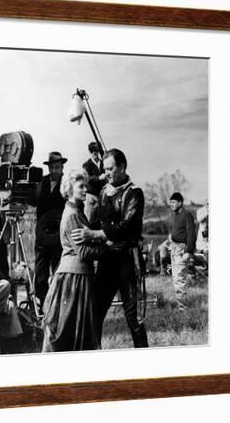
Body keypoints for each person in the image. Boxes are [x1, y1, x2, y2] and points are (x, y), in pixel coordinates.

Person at [71, 148, 148, 348]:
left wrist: (98, 234)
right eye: (104, 169)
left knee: (133, 317)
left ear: (122, 167)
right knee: (95, 313)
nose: (107, 173)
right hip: (107, 261)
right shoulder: (104, 191)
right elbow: (98, 222)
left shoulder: (134, 193)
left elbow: (128, 226)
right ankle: (91, 357)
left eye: (111, 169)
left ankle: (146, 362)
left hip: (127, 261)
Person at [42, 171, 109, 352]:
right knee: (69, 328)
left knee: (78, 328)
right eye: (81, 186)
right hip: (73, 278)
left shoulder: (77, 211)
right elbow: (83, 252)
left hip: (79, 275)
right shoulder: (71, 214)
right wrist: (106, 249)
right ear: (70, 189)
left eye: (85, 186)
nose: (85, 189)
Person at [29, 151, 67, 307]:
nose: (54, 171)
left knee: (58, 268)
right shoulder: (42, 182)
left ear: (62, 167)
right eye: (52, 167)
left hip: (59, 234)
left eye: (57, 167)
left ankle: (58, 302)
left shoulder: (67, 183)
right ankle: (42, 303)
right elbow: (32, 201)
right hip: (43, 234)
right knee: (41, 271)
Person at [168, 192, 197, 311]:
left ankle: (183, 309)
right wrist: (171, 239)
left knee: (180, 279)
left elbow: (191, 234)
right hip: (174, 249)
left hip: (182, 250)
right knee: (176, 279)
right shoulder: (176, 215)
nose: (172, 205)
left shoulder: (187, 215)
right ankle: (180, 305)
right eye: (170, 203)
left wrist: (188, 251)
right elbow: (178, 231)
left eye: (174, 202)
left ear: (180, 202)